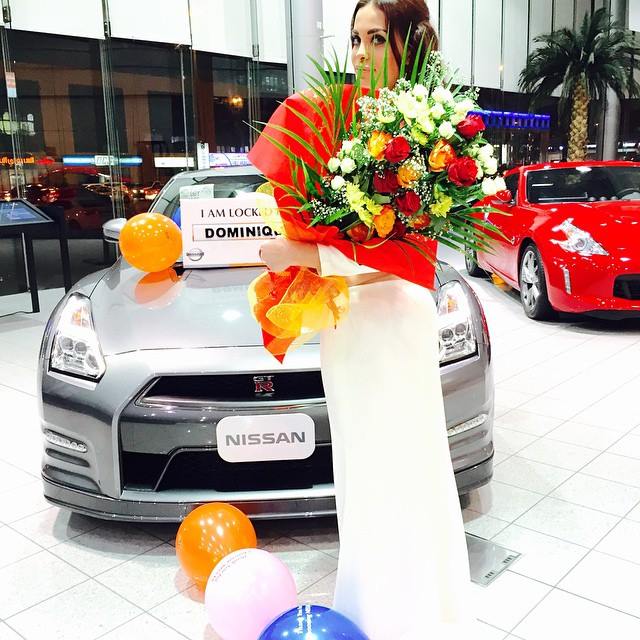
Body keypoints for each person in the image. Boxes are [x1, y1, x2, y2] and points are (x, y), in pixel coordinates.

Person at [259, 2, 478, 637]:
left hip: (394, 322)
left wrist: (302, 253)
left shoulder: (429, 129)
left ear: (410, 43)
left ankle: (419, 617)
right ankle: (370, 607)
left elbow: (410, 254)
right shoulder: (342, 121)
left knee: (405, 466)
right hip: (347, 325)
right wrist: (305, 247)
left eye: (375, 38)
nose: (359, 53)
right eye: (355, 38)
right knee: (359, 471)